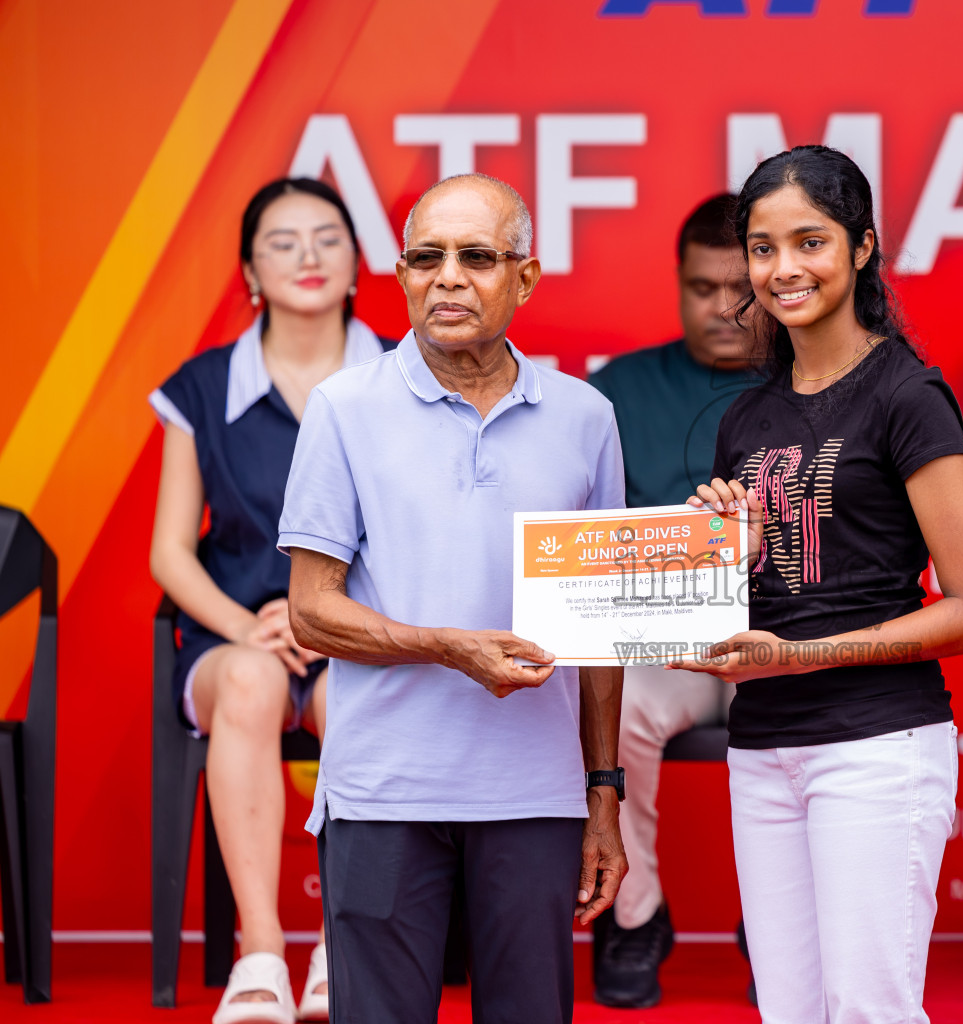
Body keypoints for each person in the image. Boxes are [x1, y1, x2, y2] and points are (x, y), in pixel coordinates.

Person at [279, 172, 627, 1024]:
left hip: (536, 796)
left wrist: (604, 793)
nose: (448, 278)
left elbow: (602, 632)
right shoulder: (343, 408)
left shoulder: (585, 417)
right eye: (426, 258)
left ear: (526, 277)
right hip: (383, 793)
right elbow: (312, 610)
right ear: (399, 276)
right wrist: (447, 646)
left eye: (477, 257)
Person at [669, 146, 963, 1023]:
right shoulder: (747, 416)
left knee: (868, 1010)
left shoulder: (907, 395)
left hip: (875, 747)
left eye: (809, 242)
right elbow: (767, 599)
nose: (783, 270)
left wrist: (802, 655)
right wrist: (731, 558)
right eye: (763, 247)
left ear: (862, 248)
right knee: (790, 1011)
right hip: (763, 747)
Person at [149, 177, 389, 1024]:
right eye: (281, 242)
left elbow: (431, 540)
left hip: (365, 636)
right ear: (249, 270)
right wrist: (252, 623)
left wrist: (335, 618)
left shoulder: (405, 376)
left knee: (359, 698)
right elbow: (170, 552)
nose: (308, 256)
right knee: (251, 685)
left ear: (359, 261)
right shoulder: (201, 387)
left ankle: (341, 945)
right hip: (235, 636)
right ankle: (260, 954)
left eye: (327, 237)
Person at [584, 194, 759, 1008]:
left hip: (788, 643)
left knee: (815, 703)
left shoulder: (817, 380)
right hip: (669, 644)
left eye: (742, 287)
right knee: (616, 705)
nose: (725, 308)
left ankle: (778, 918)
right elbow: (582, 540)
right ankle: (632, 914)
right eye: (702, 288)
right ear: (678, 283)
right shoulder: (617, 389)